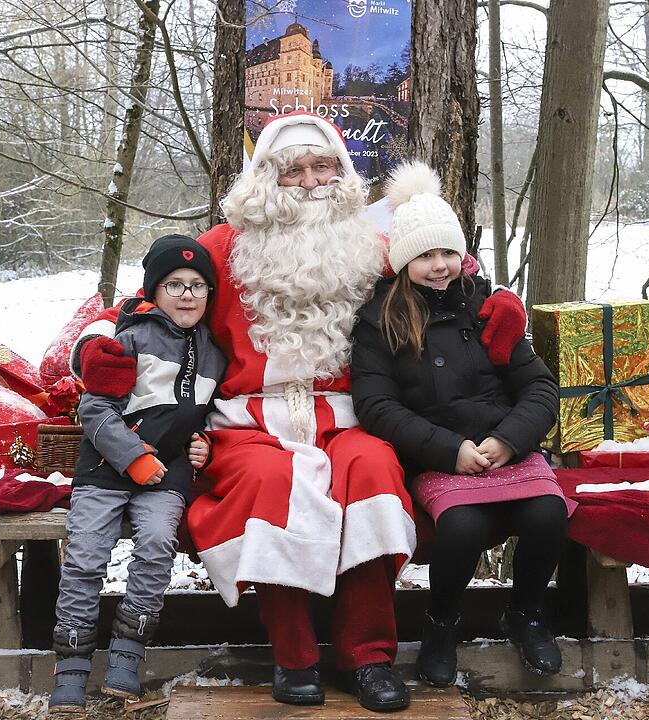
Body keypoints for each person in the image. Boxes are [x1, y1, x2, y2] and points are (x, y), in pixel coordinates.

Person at [73, 111, 529, 712]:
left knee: (372, 475)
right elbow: (147, 303)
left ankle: (367, 658)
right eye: (294, 170)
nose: (311, 181)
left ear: (343, 174)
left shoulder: (373, 248)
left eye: (324, 167)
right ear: (266, 179)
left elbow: (447, 276)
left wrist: (495, 302)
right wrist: (97, 347)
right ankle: (296, 657)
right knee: (272, 484)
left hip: (346, 417)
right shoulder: (221, 247)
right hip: (247, 424)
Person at [350, 162, 575, 686]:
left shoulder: (489, 310)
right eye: (425, 255)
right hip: (439, 452)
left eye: (448, 252)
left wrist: (508, 439)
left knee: (548, 514)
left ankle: (523, 614)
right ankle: (442, 623)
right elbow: (376, 407)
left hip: (505, 446)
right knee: (462, 526)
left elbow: (540, 387)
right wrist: (450, 450)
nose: (439, 265)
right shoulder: (380, 321)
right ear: (405, 260)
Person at [49, 235, 226, 712]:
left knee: (155, 548)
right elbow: (95, 406)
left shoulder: (214, 351)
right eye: (174, 285)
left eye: (198, 286)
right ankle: (71, 666)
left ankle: (128, 654)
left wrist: (204, 442)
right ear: (155, 290)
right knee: (85, 559)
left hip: (167, 476)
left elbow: (208, 413)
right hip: (106, 469)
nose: (187, 295)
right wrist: (132, 456)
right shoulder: (130, 337)